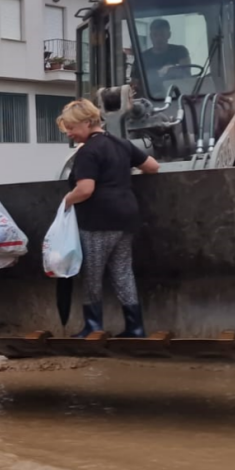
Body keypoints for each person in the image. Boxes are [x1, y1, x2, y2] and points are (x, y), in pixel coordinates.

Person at [58, 99, 160, 338]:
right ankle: (135, 328)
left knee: (92, 273)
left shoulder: (88, 152)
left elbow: (85, 189)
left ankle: (93, 326)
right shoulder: (121, 143)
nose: (70, 134)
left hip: (99, 220)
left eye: (72, 128)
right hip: (126, 217)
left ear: (87, 122)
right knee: (122, 271)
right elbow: (153, 166)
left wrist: (66, 201)